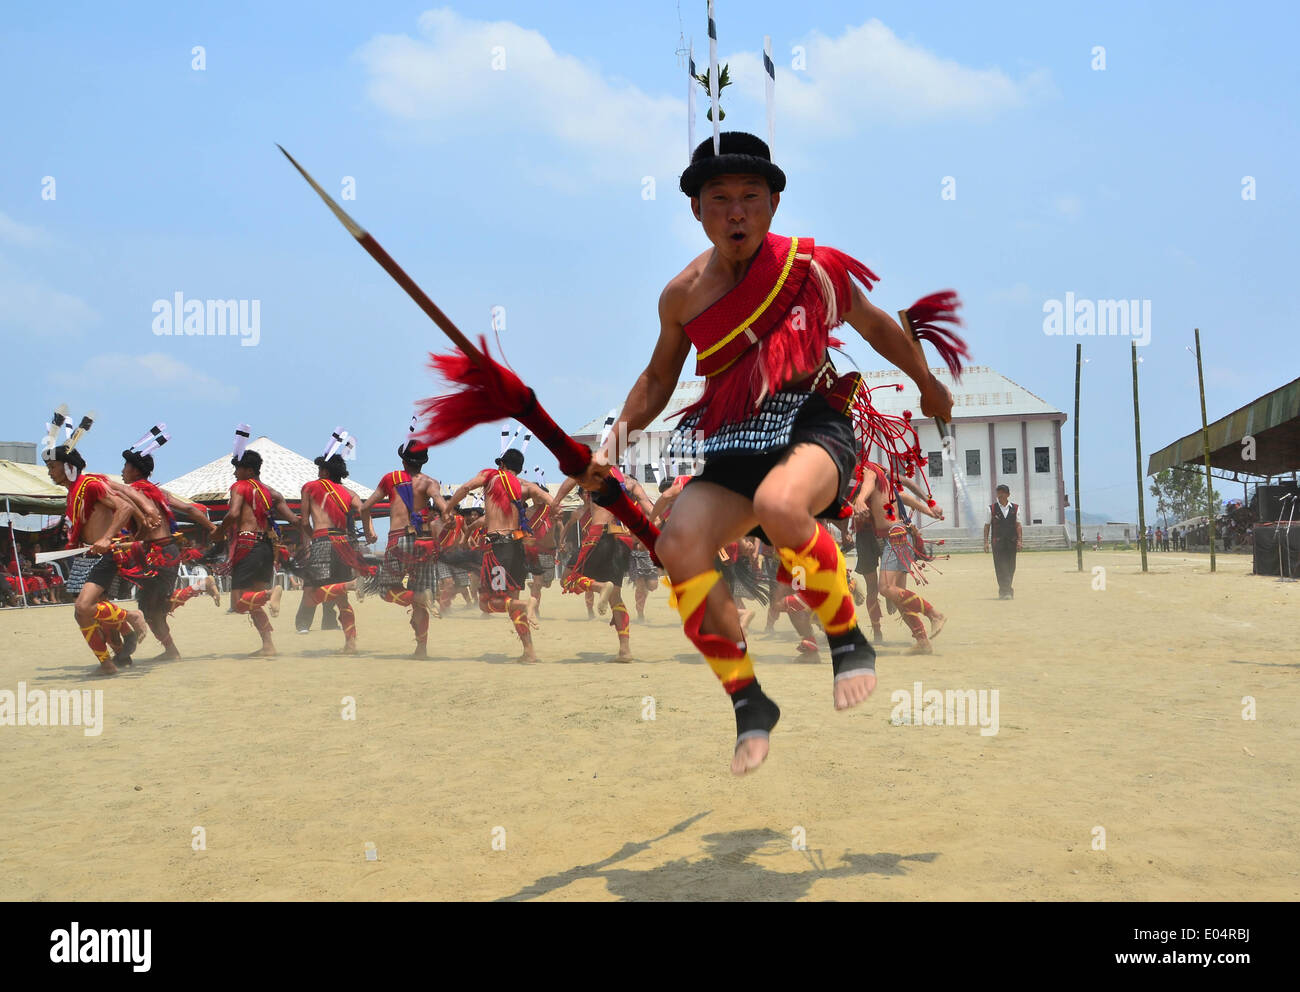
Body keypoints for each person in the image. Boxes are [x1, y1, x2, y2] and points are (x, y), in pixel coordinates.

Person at [572, 132, 959, 774]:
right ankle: (749, 699)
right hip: (734, 442)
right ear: (696, 211)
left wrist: (927, 382)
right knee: (676, 546)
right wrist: (612, 445)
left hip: (814, 425)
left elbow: (878, 325)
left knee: (780, 504)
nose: (736, 213)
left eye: (751, 197)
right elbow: (657, 379)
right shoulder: (681, 296)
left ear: (774, 204)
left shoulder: (812, 268)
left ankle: (846, 636)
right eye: (718, 199)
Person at [44, 442, 150, 674]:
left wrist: (107, 537)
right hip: (85, 555)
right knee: (83, 613)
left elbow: (124, 507)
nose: (49, 472)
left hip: (105, 553)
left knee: (85, 606)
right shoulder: (73, 491)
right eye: (48, 467)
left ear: (68, 466)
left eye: (53, 466)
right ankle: (112, 663)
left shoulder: (90, 485)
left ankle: (132, 615)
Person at [442, 447, 552, 663]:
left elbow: (465, 487)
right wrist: (555, 510)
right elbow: (548, 499)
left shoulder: (490, 475)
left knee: (486, 602)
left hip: (499, 550)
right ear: (519, 469)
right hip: (518, 550)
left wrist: (448, 507)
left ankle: (528, 604)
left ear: (501, 465)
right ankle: (529, 652)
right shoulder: (524, 485)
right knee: (510, 601)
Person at [119, 439, 219, 659]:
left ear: (135, 470)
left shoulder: (131, 492)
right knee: (154, 609)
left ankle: (200, 587)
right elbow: (190, 510)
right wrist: (212, 527)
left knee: (152, 609)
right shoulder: (159, 493)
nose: (122, 471)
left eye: (125, 466)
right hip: (168, 551)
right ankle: (171, 651)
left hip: (156, 554)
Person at [554, 466, 655, 661]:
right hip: (623, 539)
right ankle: (625, 650)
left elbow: (571, 479)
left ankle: (599, 587)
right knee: (616, 597)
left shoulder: (591, 473)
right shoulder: (630, 482)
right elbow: (651, 512)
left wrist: (556, 501)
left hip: (599, 533)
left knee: (566, 579)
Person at [359, 440, 445, 657]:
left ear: (403, 460)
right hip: (425, 542)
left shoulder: (391, 479)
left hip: (399, 540)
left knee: (386, 590)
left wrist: (369, 531)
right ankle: (421, 649)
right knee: (421, 602)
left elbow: (365, 507)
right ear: (423, 462)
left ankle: (417, 597)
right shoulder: (431, 482)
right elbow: (444, 509)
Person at [213, 447, 299, 657]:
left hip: (247, 545)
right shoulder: (272, 493)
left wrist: (219, 532)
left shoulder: (239, 486)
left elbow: (233, 514)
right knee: (253, 601)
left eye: (237, 469)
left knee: (237, 603)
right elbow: (295, 520)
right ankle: (268, 645)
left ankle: (271, 594)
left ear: (248, 471)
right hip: (266, 548)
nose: (234, 474)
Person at [299, 448, 369, 654]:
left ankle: (350, 584)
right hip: (344, 542)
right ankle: (350, 643)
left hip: (323, 539)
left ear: (325, 472)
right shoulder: (347, 492)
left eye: (320, 468)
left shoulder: (310, 487)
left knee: (311, 592)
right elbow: (364, 509)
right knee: (341, 599)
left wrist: (314, 537)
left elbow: (304, 521)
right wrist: (369, 531)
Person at [983, 484, 1022, 599]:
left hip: (1011, 542)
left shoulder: (1015, 508)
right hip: (997, 543)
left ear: (1008, 494)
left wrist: (1020, 541)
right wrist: (986, 542)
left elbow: (1018, 525)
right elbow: (987, 526)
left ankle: (1004, 590)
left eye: (1003, 492)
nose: (1000, 495)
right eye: (998, 493)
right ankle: (1007, 592)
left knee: (1011, 567)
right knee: (1001, 567)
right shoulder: (991, 509)